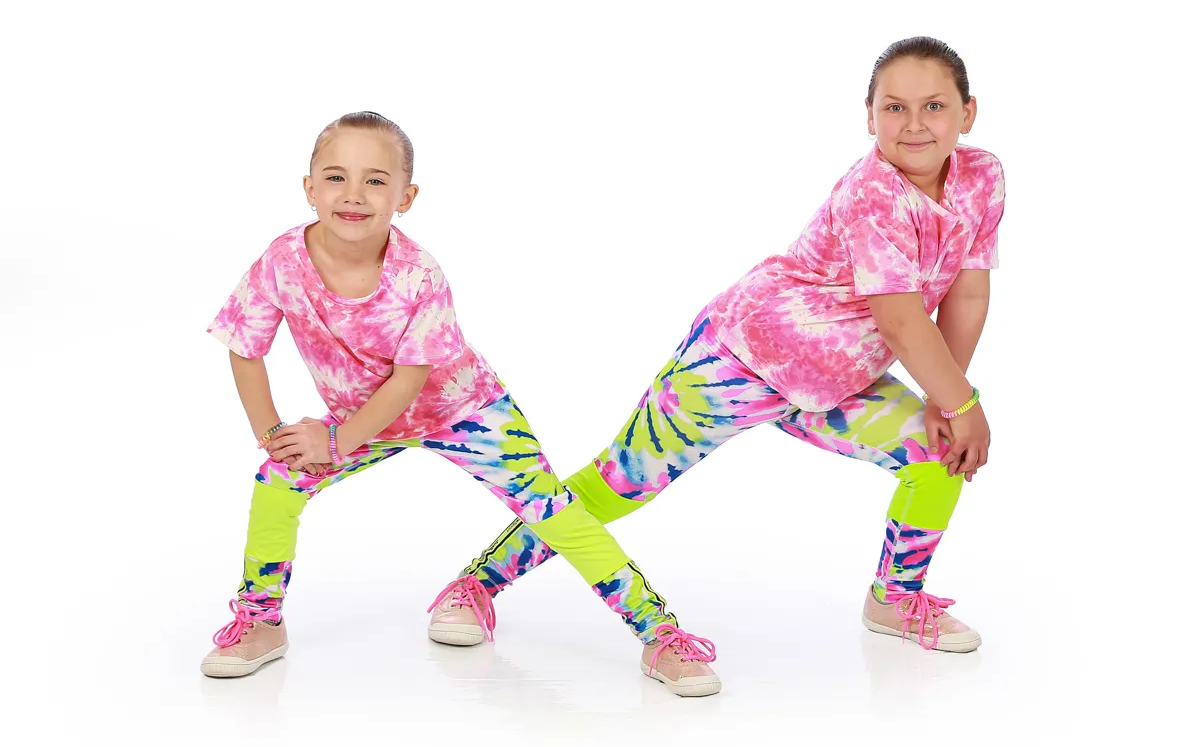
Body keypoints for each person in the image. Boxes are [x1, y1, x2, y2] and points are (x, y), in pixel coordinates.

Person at [437, 36, 1004, 657]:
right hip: (739, 361)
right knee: (617, 486)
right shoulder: (875, 193)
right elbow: (899, 320)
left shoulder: (981, 177)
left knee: (938, 454)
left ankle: (894, 601)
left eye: (934, 107)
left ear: (967, 113)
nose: (914, 124)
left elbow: (967, 294)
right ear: (868, 116)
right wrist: (961, 401)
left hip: (838, 381)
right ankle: (475, 586)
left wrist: (944, 402)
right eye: (894, 107)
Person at [199, 111, 720, 697]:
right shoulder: (282, 260)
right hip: (364, 419)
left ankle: (660, 634)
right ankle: (262, 622)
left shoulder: (419, 274)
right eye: (336, 177)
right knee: (277, 481)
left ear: (406, 196)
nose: (353, 195)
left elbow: (409, 381)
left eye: (375, 180)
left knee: (553, 510)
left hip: (462, 410)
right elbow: (244, 347)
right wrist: (276, 436)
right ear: (309, 188)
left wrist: (338, 441)